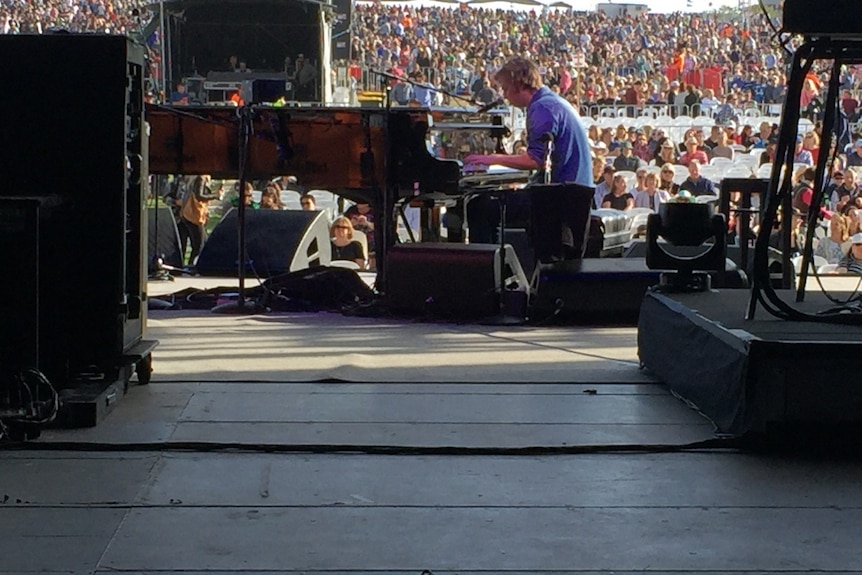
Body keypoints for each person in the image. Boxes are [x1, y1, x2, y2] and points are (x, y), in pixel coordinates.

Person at [463, 56, 593, 260]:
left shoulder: (541, 108)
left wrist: (491, 159)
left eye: (506, 89)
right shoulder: (553, 101)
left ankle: (486, 271)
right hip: (574, 193)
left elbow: (536, 160)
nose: (505, 95)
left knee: (479, 207)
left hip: (560, 198)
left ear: (518, 84)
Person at [180, 175, 220, 265]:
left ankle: (198, 264)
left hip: (190, 215)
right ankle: (192, 266)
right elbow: (199, 196)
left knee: (204, 242)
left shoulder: (195, 179)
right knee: (199, 245)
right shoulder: (201, 178)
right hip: (195, 216)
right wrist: (215, 196)